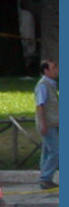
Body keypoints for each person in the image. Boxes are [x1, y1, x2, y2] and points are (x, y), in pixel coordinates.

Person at [35, 59, 59, 189]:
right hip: (48, 124)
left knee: (47, 152)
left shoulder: (50, 84)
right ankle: (45, 178)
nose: (56, 71)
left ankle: (44, 177)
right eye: (54, 68)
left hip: (51, 123)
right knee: (56, 151)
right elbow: (40, 106)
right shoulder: (43, 85)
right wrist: (42, 124)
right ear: (46, 71)